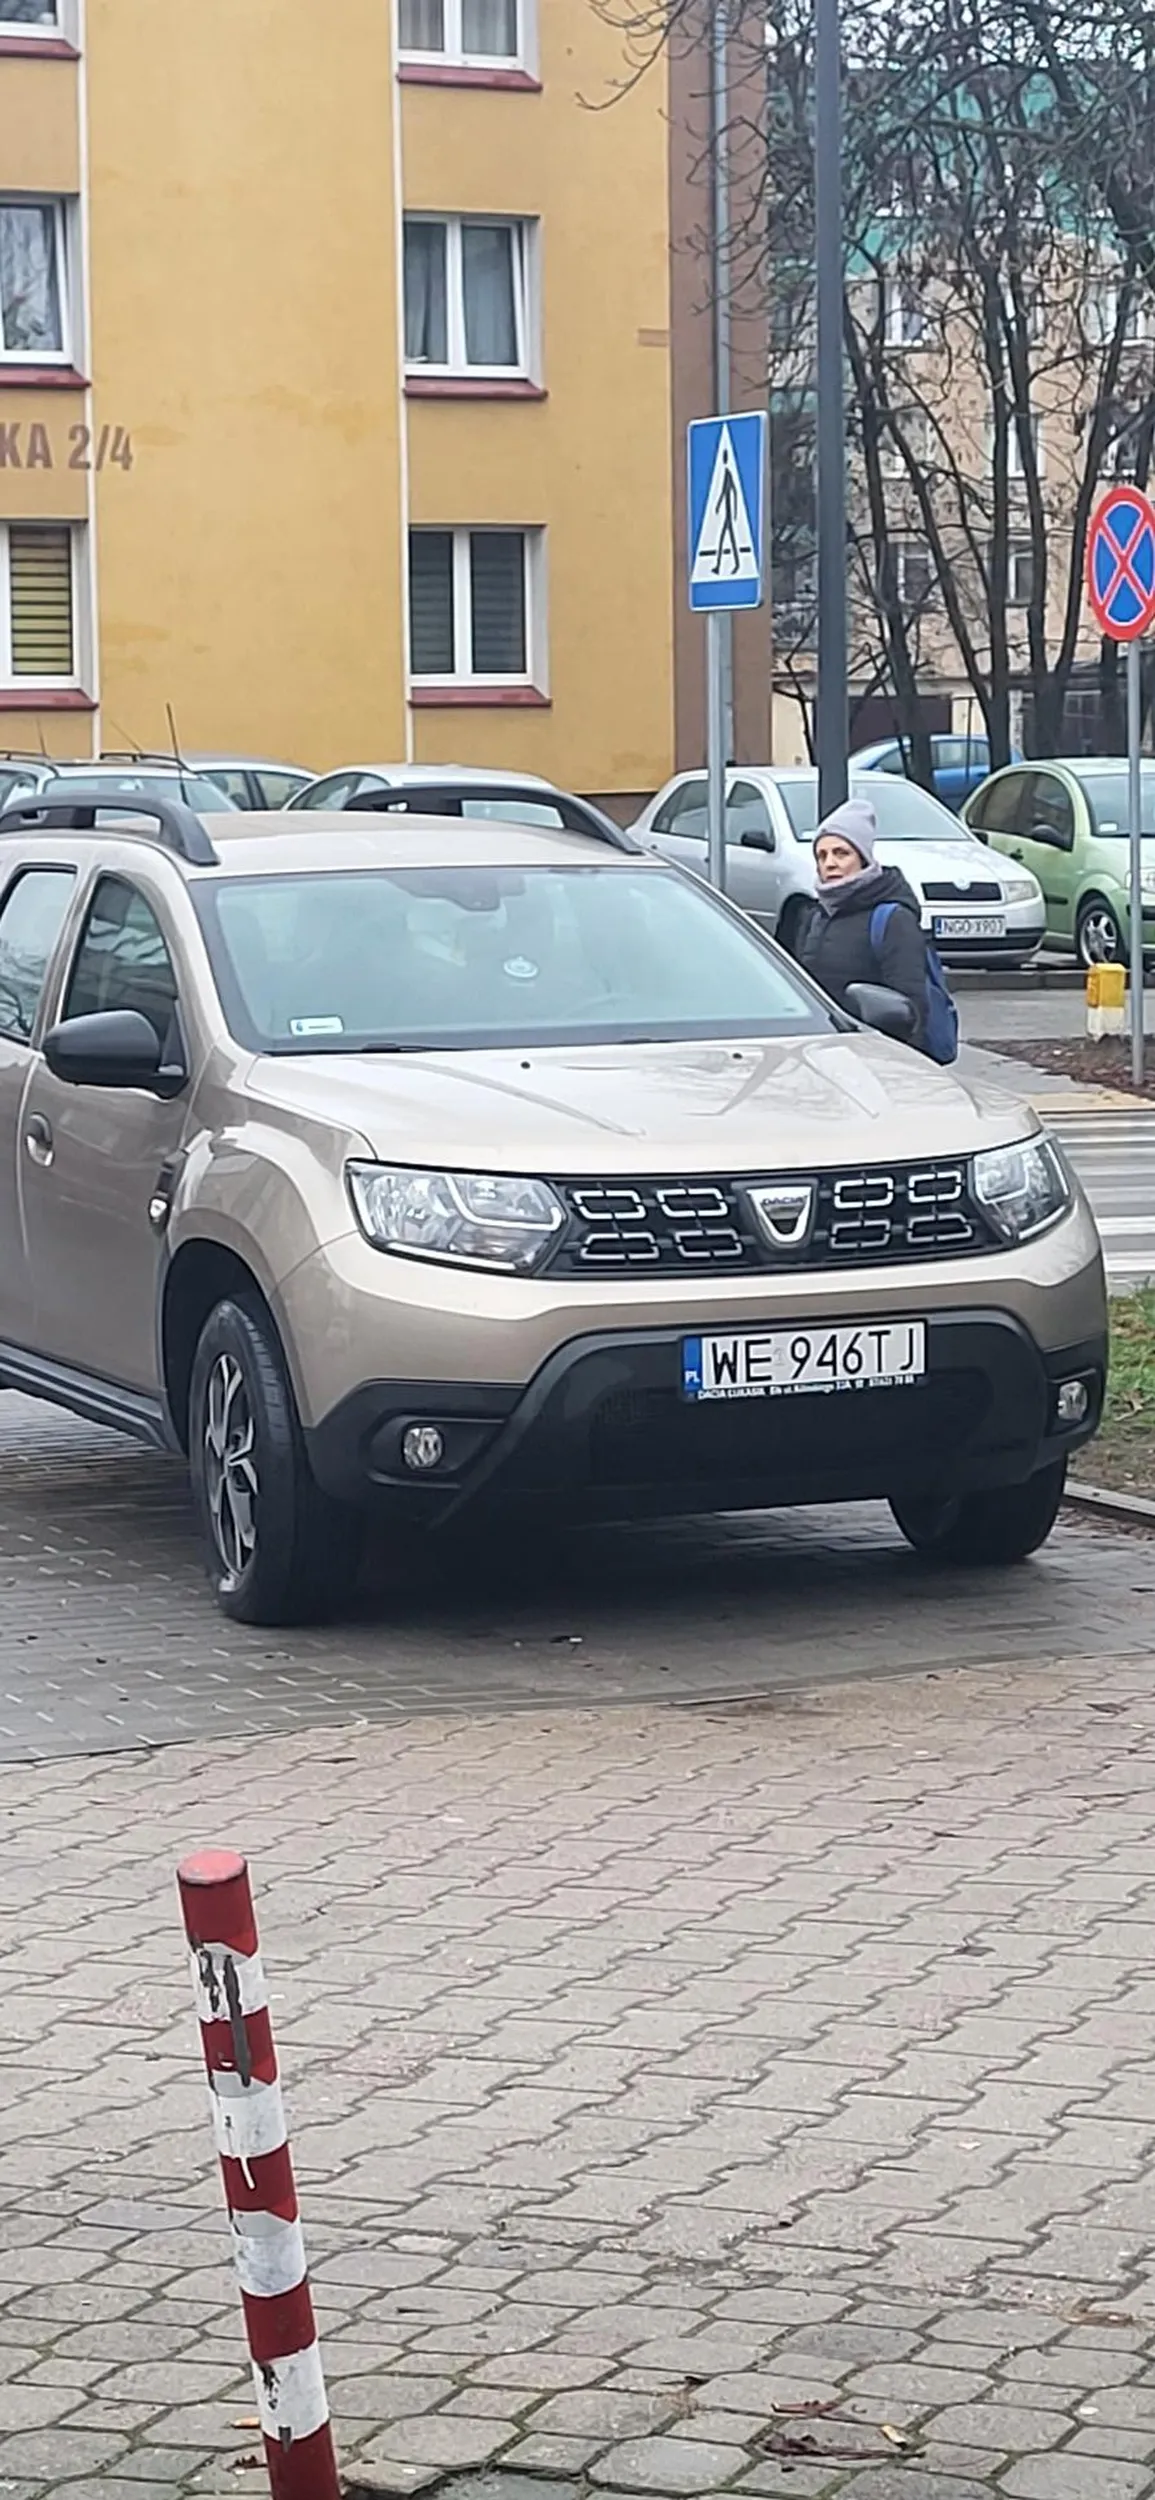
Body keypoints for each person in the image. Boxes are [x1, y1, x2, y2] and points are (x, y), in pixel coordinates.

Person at [791, 796, 934, 1052]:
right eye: (821, 856)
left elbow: (911, 1008)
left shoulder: (892, 918)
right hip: (823, 1050)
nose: (830, 863)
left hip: (876, 1054)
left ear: (863, 858)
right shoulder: (815, 915)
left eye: (841, 853)